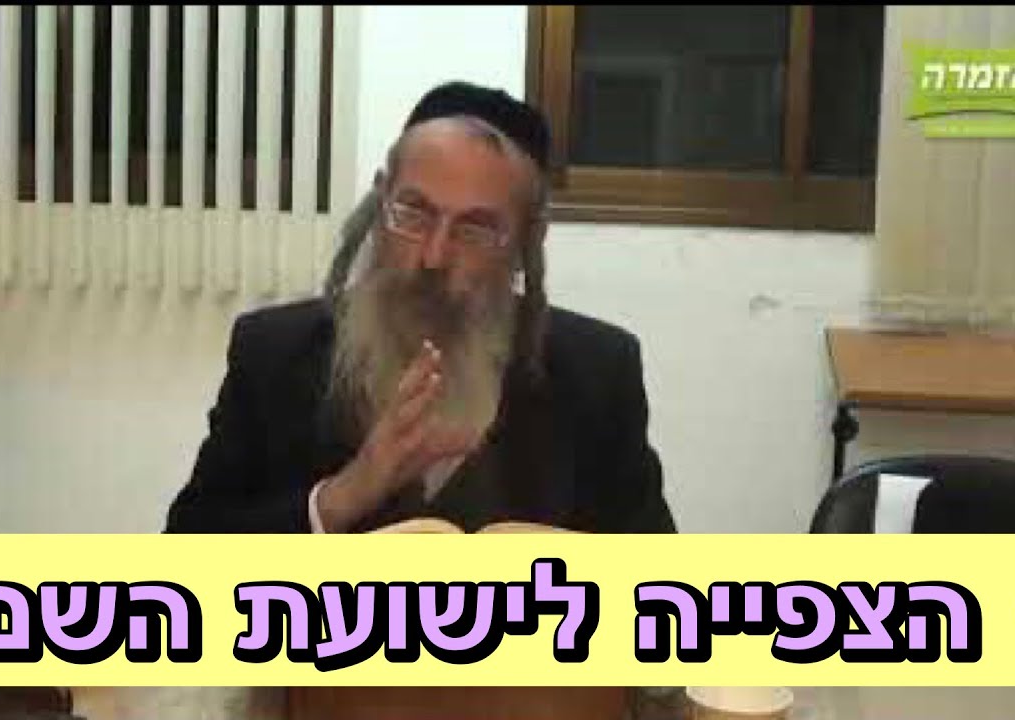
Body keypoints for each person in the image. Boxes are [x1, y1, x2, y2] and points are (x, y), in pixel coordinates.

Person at [164, 81, 675, 534]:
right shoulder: (274, 354)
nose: (434, 256)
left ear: (525, 241)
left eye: (475, 229)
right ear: (379, 202)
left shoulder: (597, 373)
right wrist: (341, 498)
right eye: (414, 212)